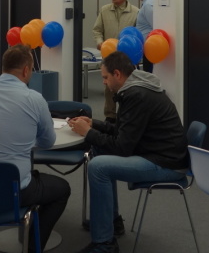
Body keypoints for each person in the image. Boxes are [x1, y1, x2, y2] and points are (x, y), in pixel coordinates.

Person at [68, 51, 187, 253]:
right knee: (99, 148)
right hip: (157, 153)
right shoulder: (136, 88)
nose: (104, 82)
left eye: (105, 77)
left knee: (98, 167)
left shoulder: (136, 95)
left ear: (117, 74)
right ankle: (111, 222)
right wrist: (94, 124)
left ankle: (104, 244)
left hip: (166, 164)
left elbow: (122, 147)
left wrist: (87, 132)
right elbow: (124, 131)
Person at [0, 44, 71, 253]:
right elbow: (48, 142)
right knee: (62, 189)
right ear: (26, 70)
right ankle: (33, 248)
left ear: (3, 67)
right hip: (12, 190)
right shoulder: (34, 99)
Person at [92, 0, 138, 122]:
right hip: (109, 55)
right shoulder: (105, 10)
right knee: (109, 85)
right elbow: (97, 30)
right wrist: (100, 42)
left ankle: (126, 115)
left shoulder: (135, 12)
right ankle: (110, 116)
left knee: (128, 85)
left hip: (127, 57)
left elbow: (138, 34)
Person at [133, 0, 155, 72]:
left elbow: (156, 27)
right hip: (149, 49)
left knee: (149, 75)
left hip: (150, 50)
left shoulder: (148, 5)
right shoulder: (152, 1)